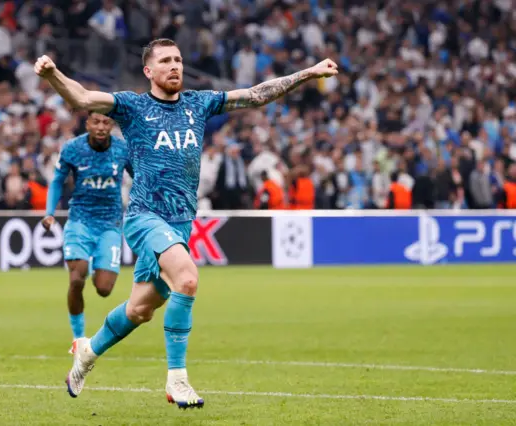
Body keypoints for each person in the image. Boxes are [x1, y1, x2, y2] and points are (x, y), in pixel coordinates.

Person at [34, 38, 338, 409]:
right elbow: (81, 98)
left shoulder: (199, 102)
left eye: (178, 59)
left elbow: (256, 95)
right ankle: (177, 380)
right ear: (149, 71)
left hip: (180, 224)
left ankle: (86, 355)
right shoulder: (132, 106)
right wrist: (53, 75)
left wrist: (308, 73)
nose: (174, 65)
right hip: (145, 216)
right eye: (165, 61)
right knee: (188, 278)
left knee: (139, 310)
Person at [41, 113, 132, 361]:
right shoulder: (73, 148)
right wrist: (50, 213)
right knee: (77, 278)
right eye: (96, 122)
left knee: (104, 289)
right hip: (80, 221)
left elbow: (139, 178)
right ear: (87, 124)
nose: (101, 127)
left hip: (110, 225)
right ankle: (78, 339)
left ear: (112, 125)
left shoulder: (123, 149)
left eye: (106, 122)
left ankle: (96, 263)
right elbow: (58, 180)